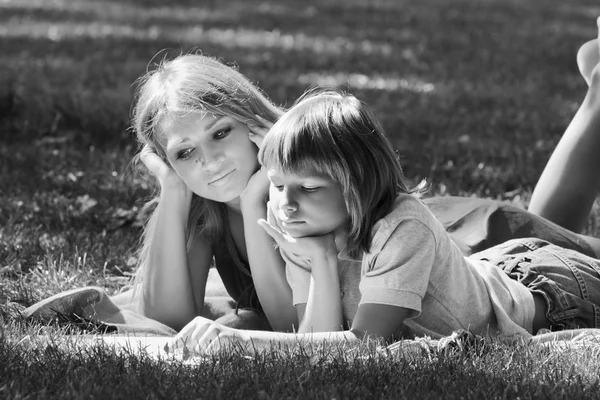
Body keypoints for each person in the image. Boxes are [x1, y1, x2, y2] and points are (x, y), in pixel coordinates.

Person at [129, 28, 600, 336]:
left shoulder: (304, 179)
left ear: (249, 120)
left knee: (566, 259)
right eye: (184, 153)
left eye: (221, 132)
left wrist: (260, 198)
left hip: (464, 239)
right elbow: (170, 320)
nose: (210, 161)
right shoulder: (202, 207)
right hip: (451, 279)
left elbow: (298, 327)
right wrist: (172, 193)